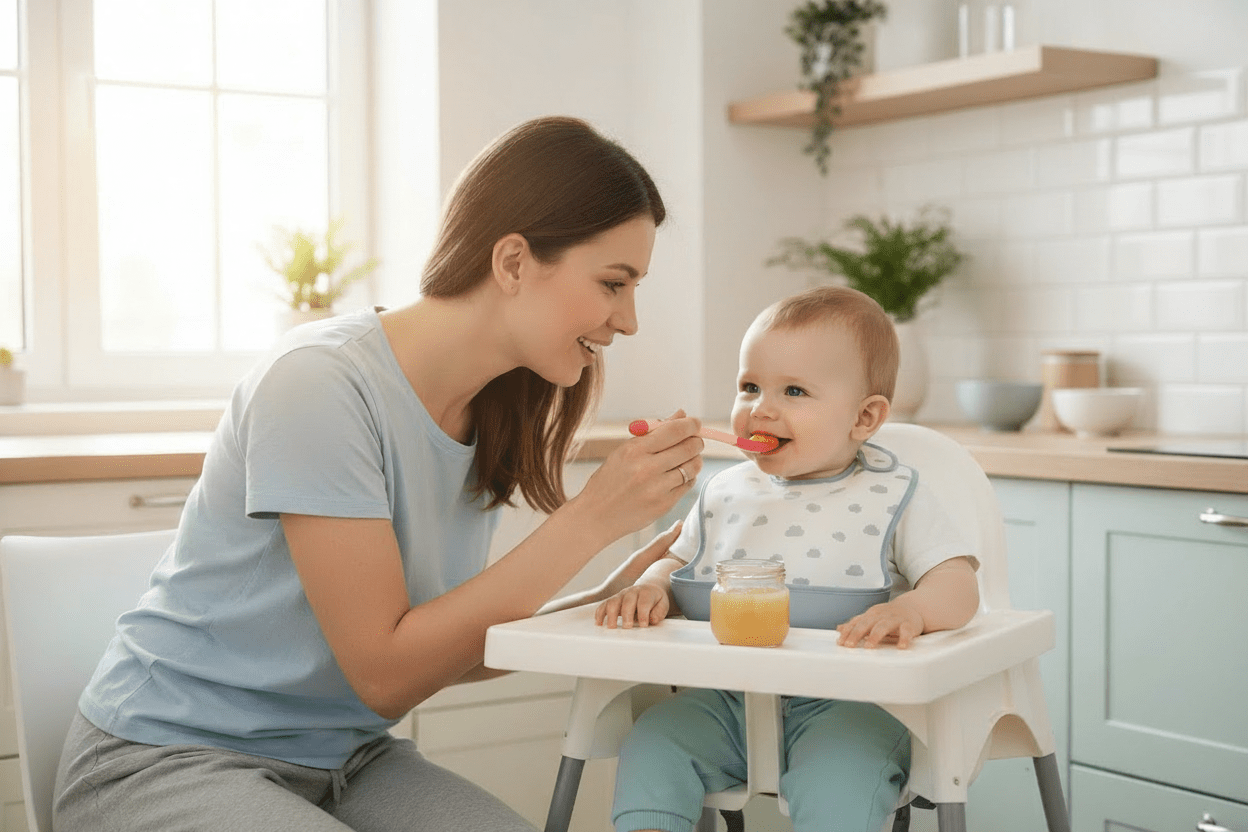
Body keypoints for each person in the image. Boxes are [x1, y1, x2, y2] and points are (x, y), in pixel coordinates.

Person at [54, 116, 706, 832]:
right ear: (515, 262)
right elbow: (386, 671)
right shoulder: (318, 384)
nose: (629, 321)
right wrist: (590, 521)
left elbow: (443, 652)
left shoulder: (492, 405)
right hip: (166, 759)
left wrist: (605, 599)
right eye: (614, 283)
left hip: (348, 760)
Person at [594, 285, 981, 832]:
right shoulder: (724, 490)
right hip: (726, 702)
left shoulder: (893, 494)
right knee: (655, 744)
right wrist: (652, 589)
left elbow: (959, 585)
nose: (761, 409)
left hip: (853, 706)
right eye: (749, 386)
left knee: (842, 780)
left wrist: (912, 612)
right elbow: (678, 562)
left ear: (865, 418)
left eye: (794, 391)